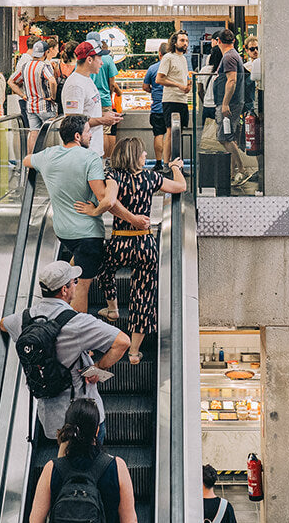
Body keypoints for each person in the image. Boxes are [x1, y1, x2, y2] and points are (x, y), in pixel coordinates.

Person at [74, 137, 185, 363]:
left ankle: (113, 308)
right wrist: (175, 168)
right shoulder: (152, 177)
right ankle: (134, 352)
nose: (146, 156)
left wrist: (95, 211)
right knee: (144, 296)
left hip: (120, 242)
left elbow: (110, 201)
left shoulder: (114, 176)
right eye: (143, 153)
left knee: (102, 269)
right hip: (145, 244)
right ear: (135, 156)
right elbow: (180, 187)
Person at [23, 116, 143, 314]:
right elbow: (106, 200)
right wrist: (133, 219)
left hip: (63, 232)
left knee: (73, 271)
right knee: (81, 288)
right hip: (87, 235)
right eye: (88, 131)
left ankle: (59, 314)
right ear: (78, 136)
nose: (91, 135)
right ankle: (80, 339)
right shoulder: (90, 158)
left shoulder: (48, 155)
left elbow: (27, 160)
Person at [0, 260, 131, 440]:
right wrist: (98, 368)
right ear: (64, 290)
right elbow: (122, 342)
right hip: (85, 420)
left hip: (52, 421)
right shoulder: (77, 323)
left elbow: (3, 323)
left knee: (63, 463)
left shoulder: (24, 319)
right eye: (74, 282)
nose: (76, 285)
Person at [28, 398, 138, 523]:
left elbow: (35, 521)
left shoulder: (52, 468)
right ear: (97, 430)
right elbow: (130, 521)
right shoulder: (117, 466)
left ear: (67, 428)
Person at [63, 40, 123, 161]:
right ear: (89, 60)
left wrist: (104, 115)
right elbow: (73, 122)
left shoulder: (87, 79)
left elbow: (86, 113)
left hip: (94, 151)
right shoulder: (75, 85)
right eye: (99, 58)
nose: (102, 63)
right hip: (84, 154)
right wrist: (103, 120)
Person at [211, 28, 251, 186]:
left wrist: (225, 103)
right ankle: (232, 172)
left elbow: (232, 80)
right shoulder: (233, 55)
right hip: (233, 102)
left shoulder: (228, 57)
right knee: (229, 136)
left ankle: (241, 169)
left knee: (224, 137)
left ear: (219, 41)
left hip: (230, 103)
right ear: (233, 41)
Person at [10, 39, 58, 151]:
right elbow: (52, 81)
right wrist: (53, 97)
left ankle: (31, 161)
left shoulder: (25, 66)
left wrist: (22, 95)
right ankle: (47, 161)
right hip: (45, 106)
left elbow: (11, 81)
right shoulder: (43, 66)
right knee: (50, 133)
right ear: (45, 53)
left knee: (33, 133)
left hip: (31, 106)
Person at [88, 36, 120, 157]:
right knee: (106, 131)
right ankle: (106, 161)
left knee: (90, 129)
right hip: (105, 100)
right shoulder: (107, 59)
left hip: (90, 100)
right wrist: (109, 94)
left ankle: (94, 160)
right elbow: (112, 83)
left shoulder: (85, 59)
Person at [157, 29, 192, 135]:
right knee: (170, 131)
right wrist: (178, 85)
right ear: (174, 42)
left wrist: (189, 84)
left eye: (186, 41)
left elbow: (184, 77)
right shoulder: (168, 57)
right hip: (171, 100)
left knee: (179, 132)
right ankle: (168, 153)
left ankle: (177, 152)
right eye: (182, 40)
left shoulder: (183, 59)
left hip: (183, 100)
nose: (185, 43)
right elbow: (159, 79)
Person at [143, 42, 170, 171]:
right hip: (172, 106)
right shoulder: (174, 67)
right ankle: (170, 163)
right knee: (171, 134)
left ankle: (159, 163)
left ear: (160, 54)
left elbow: (145, 87)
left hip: (157, 107)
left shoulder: (153, 68)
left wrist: (154, 91)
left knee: (158, 134)